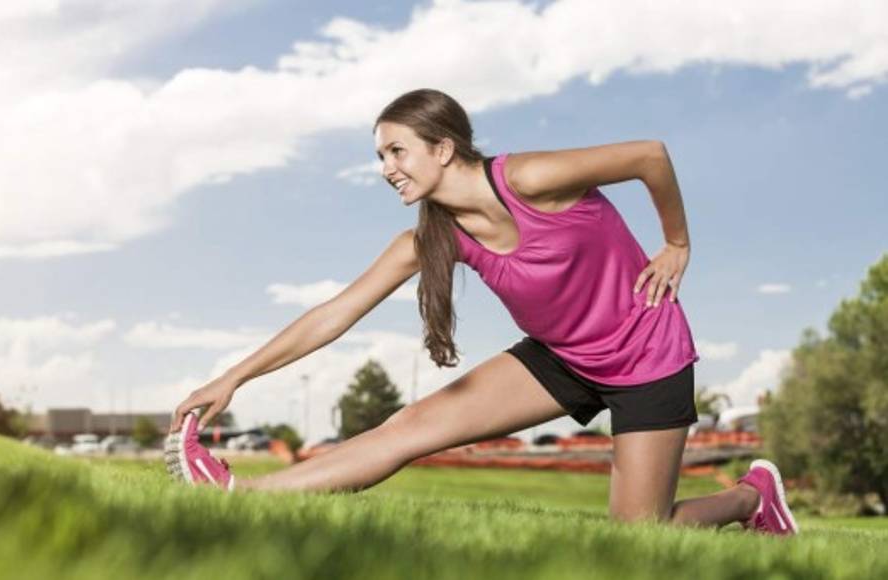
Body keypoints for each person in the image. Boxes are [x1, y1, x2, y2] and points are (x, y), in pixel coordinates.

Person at [164, 88, 797, 535]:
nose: (385, 169)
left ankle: (749, 499)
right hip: (560, 357)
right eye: (379, 157)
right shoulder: (430, 238)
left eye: (396, 152)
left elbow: (649, 155)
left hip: (646, 359)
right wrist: (233, 378)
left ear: (442, 148)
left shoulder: (530, 179)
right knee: (409, 427)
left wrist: (677, 243)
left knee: (642, 536)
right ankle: (236, 495)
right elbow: (334, 314)